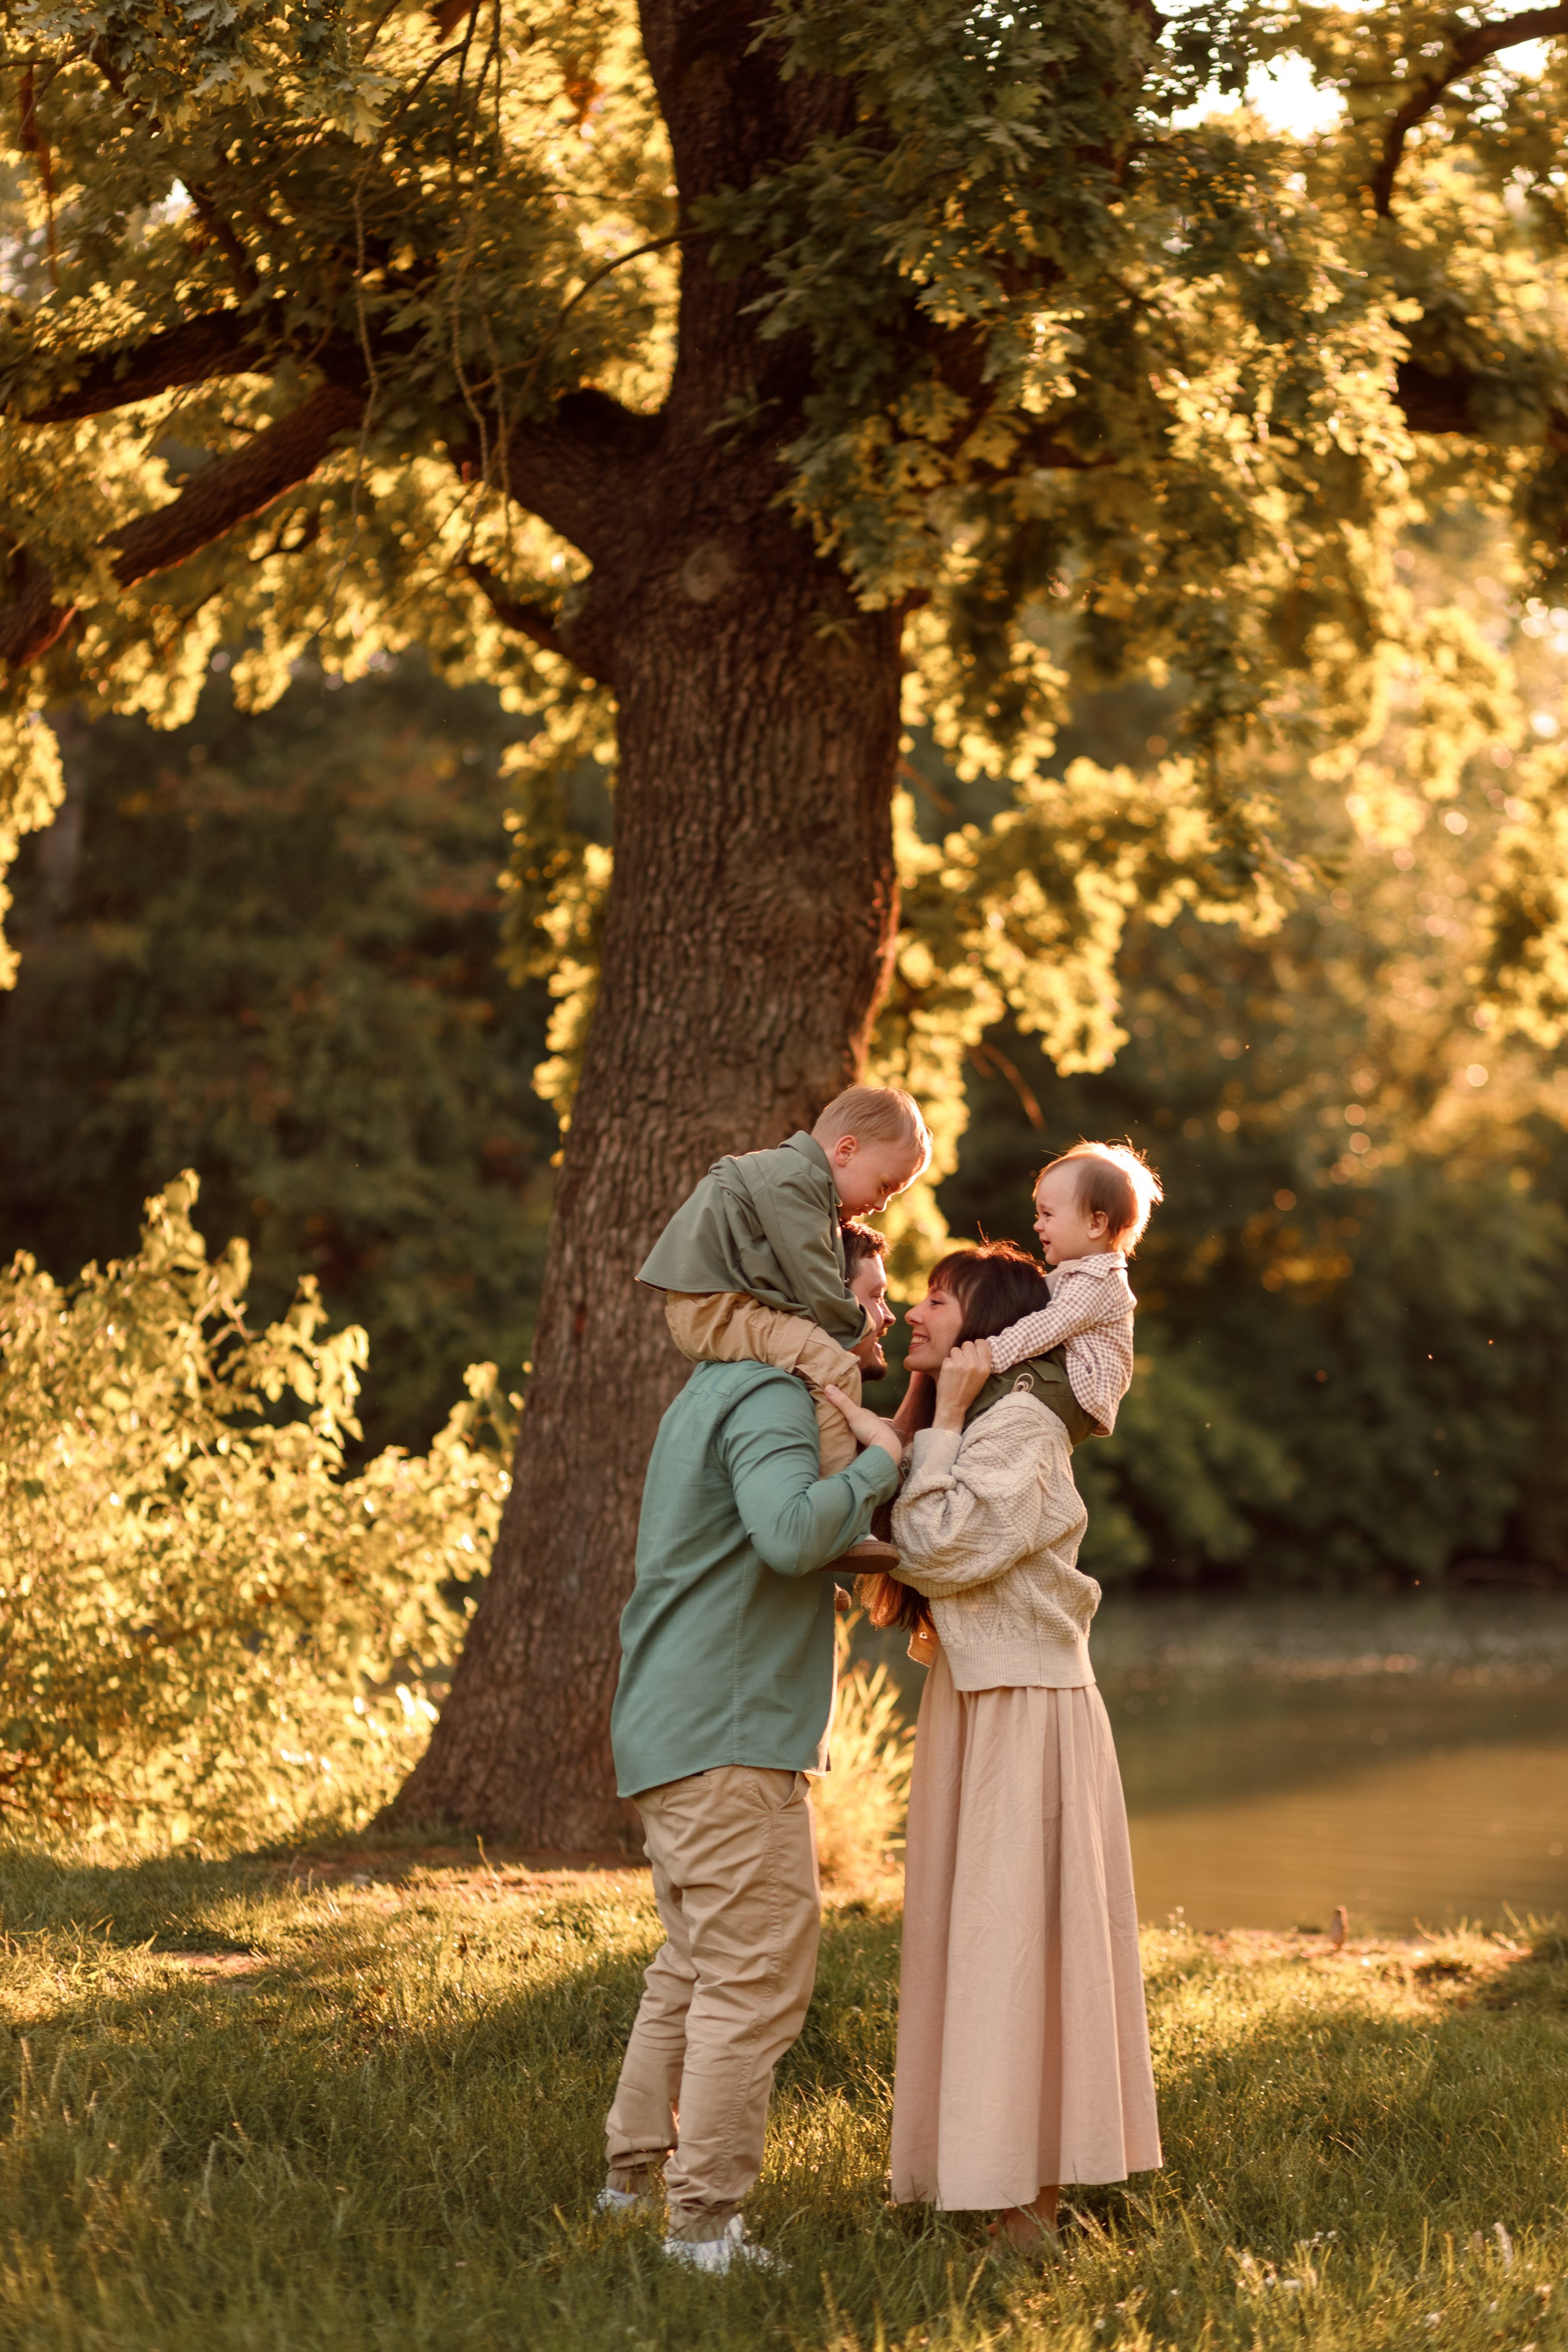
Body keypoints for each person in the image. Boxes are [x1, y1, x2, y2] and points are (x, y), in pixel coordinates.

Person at [826, 1242, 1161, 2250]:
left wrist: (954, 1418)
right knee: (972, 1946)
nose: (918, 1315)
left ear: (985, 1333)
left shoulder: (1014, 1425)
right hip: (982, 1702)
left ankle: (1032, 2209)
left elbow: (939, 1551)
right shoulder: (958, 1423)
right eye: (916, 1297)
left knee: (1019, 1948)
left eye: (938, 1301)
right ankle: (975, 2182)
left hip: (1027, 1709)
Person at [600, 1298, 902, 2273]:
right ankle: (703, 2230)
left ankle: (627, 2187)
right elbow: (785, 1535)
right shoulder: (776, 1396)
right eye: (870, 1289)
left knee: (693, 1962)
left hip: (673, 1720)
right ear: (810, 1298)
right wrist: (883, 1465)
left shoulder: (712, 1388)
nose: (885, 1311)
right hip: (725, 1731)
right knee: (756, 1974)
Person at [636, 1084, 932, 1566]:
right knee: (833, 1367)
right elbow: (816, 1283)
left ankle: (824, 1520)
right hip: (716, 1309)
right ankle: (841, 1524)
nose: (882, 1205)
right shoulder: (792, 1181)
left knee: (820, 1364)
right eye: (885, 1186)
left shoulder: (798, 1182)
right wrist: (858, 1336)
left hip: (726, 1305)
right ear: (846, 1150)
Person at [975, 1142, 1162, 1436]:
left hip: (1077, 1390)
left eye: (1048, 1215)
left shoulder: (1099, 1280)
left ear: (1095, 1224)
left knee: (981, 1388)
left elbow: (1049, 1325)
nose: (1038, 1225)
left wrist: (989, 1353)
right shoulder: (1076, 1274)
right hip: (1065, 1379)